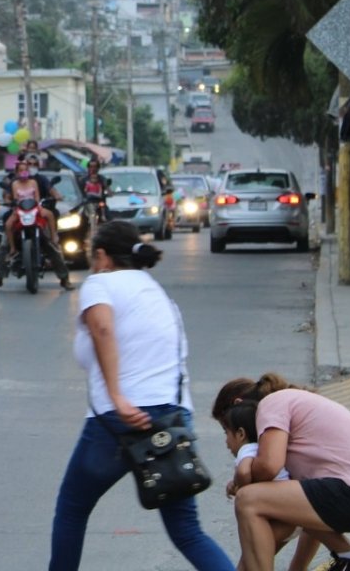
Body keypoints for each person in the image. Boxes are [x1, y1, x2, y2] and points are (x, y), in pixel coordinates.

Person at [49, 219, 234, 571]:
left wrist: (118, 397)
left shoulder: (100, 283)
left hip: (119, 420)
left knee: (72, 509)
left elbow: (103, 329)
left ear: (102, 256)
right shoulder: (155, 292)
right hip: (171, 419)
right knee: (186, 530)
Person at [212, 374, 350, 571]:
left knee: (247, 499)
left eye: (227, 429)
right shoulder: (294, 422)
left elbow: (268, 467)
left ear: (238, 404)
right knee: (271, 506)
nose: (228, 442)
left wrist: (242, 479)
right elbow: (307, 518)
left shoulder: (272, 403)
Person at [220, 401, 321, 571]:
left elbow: (244, 472)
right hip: (294, 515)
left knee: (249, 564)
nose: (226, 442)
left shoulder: (248, 449)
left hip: (280, 518)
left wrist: (238, 487)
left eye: (226, 433)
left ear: (240, 434)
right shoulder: (266, 447)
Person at [1, 157, 72, 291]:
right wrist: (9, 201)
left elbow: (47, 194)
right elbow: (8, 196)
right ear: (17, 171)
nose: (25, 171)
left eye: (29, 167)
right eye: (22, 169)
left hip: (35, 211)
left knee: (52, 246)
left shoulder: (38, 180)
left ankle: (64, 278)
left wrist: (52, 198)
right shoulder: (13, 182)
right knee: (4, 240)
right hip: (20, 212)